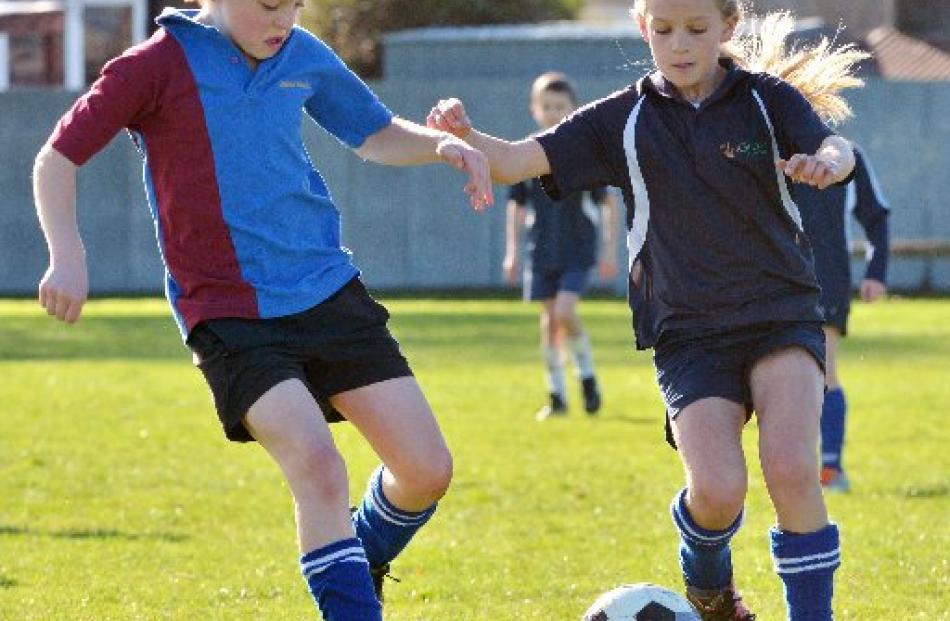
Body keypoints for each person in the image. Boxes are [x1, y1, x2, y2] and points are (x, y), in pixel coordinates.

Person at [32, 0, 493, 619]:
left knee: (426, 470)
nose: (286, 19)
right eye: (271, 4)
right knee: (317, 465)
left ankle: (360, 556)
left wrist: (441, 146)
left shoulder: (299, 52)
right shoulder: (154, 65)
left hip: (327, 292)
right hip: (227, 312)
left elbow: (375, 134)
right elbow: (57, 157)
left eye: (297, 4)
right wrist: (67, 254)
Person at [427, 1, 867, 619]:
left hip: (779, 315)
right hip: (688, 334)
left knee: (793, 471)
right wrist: (465, 134)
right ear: (642, 29)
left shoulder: (766, 101)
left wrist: (829, 162)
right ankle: (710, 588)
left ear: (728, 28)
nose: (679, 45)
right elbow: (514, 160)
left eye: (696, 29)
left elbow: (835, 145)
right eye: (662, 31)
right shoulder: (622, 120)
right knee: (716, 493)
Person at [505, 72, 619, 421]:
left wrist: (610, 249)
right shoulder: (524, 155)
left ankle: (587, 378)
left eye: (560, 106)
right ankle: (556, 394)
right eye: (547, 106)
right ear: (535, 109)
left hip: (577, 249)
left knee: (565, 312)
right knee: (549, 323)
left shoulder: (581, 153)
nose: (553, 112)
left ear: (573, 108)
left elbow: (608, 203)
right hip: (541, 251)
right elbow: (516, 207)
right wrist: (512, 251)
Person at [795, 145, 890, 493]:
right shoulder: (764, 145)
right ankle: (791, 467)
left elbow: (876, 215)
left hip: (827, 280)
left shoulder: (846, 154)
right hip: (769, 281)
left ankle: (831, 469)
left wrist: (876, 272)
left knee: (824, 372)